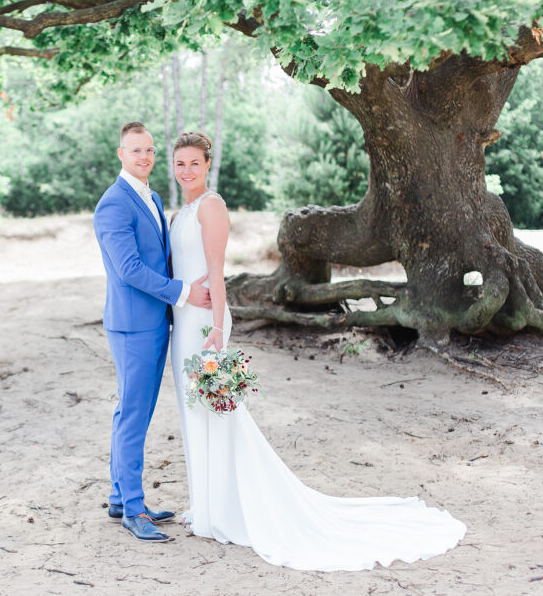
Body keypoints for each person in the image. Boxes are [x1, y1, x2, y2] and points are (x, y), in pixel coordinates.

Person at [168, 131, 467, 570]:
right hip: (183, 322)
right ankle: (208, 506)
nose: (187, 170)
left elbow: (217, 272)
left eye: (194, 162)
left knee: (218, 411)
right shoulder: (180, 212)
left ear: (207, 165)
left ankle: (226, 512)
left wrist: (217, 328)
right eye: (180, 164)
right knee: (195, 412)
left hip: (204, 324)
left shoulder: (211, 207)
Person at [93, 121, 212, 543]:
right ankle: (134, 509)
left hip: (156, 322)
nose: (144, 157)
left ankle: (120, 498)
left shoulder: (152, 197)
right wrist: (182, 292)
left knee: (131, 412)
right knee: (135, 415)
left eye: (149, 151)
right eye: (135, 151)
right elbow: (129, 269)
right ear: (121, 154)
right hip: (132, 326)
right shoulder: (113, 205)